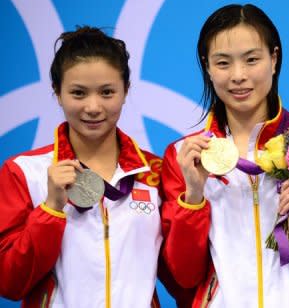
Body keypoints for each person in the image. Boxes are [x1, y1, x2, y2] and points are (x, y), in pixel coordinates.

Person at [160, 3, 289, 307]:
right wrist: (193, 197)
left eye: (252, 59)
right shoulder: (185, 155)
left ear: (274, 59)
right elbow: (183, 276)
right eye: (223, 63)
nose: (238, 76)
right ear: (207, 67)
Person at [0, 27, 187, 307]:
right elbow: (9, 283)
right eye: (78, 93)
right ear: (57, 93)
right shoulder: (24, 172)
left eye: (107, 92)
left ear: (126, 91)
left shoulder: (155, 173)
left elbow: (183, 278)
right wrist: (50, 210)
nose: (93, 106)